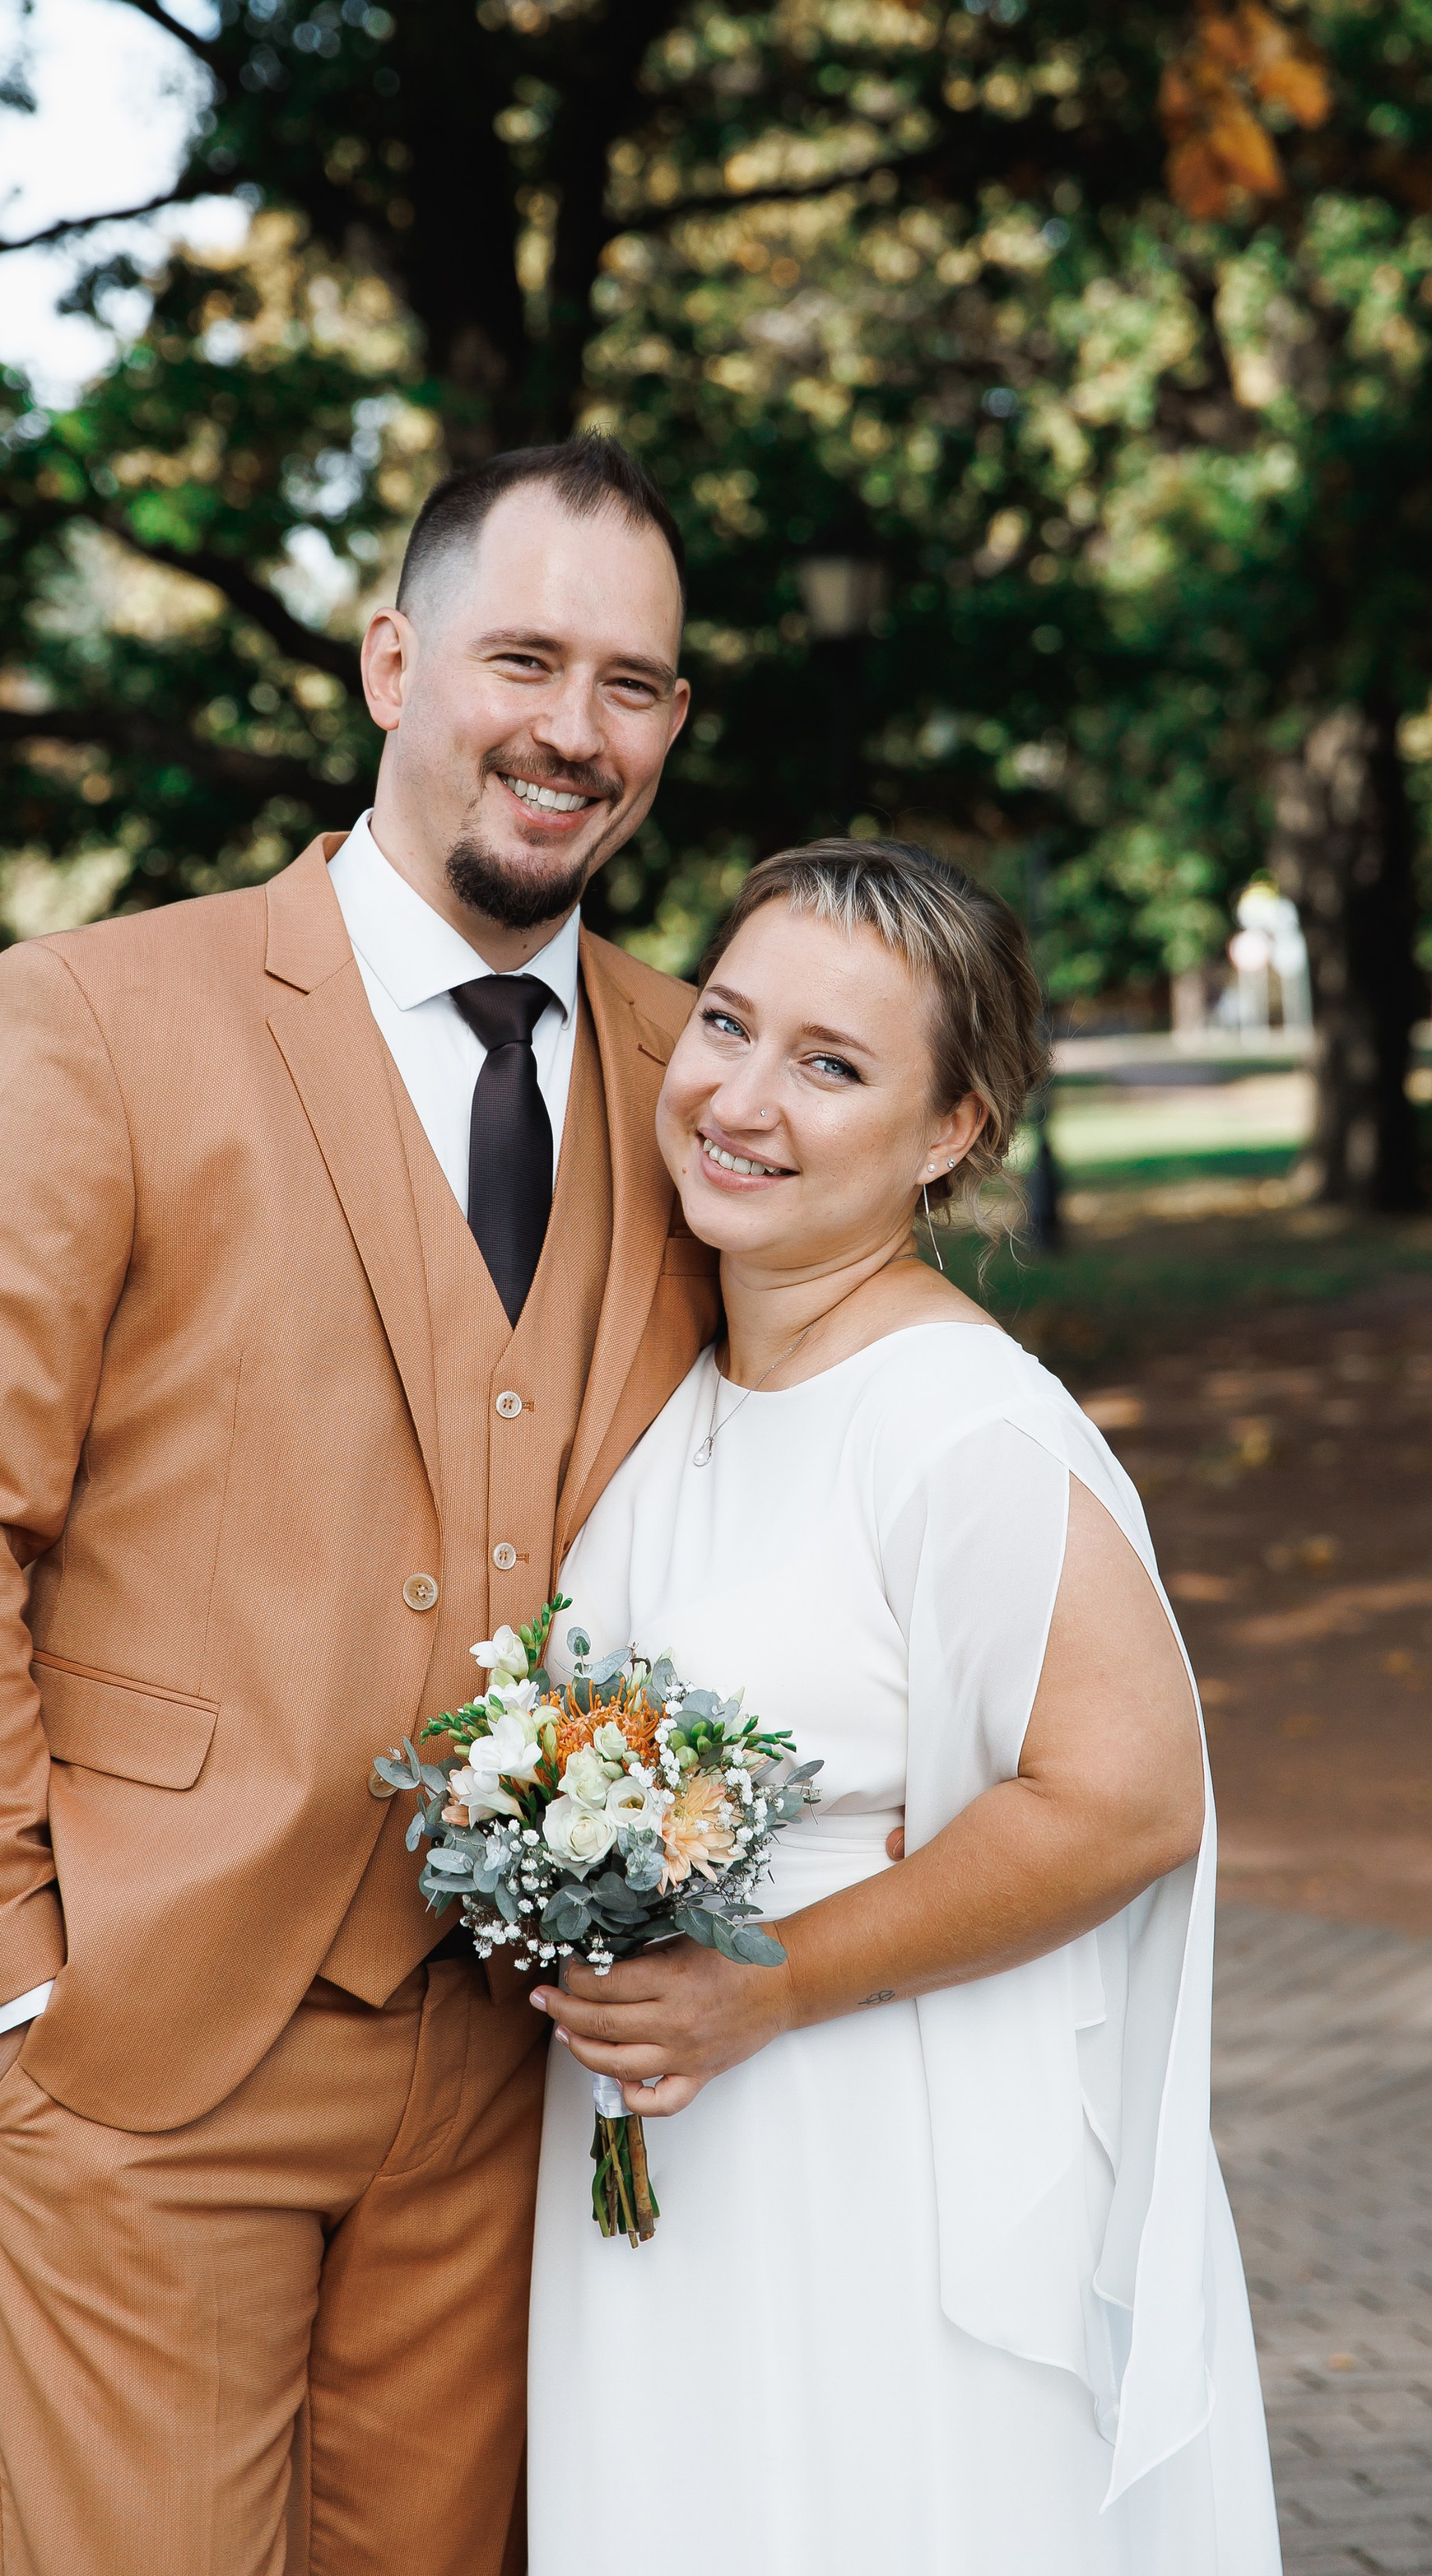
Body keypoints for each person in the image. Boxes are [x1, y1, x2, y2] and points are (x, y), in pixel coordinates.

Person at [0, 434, 718, 2576]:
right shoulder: (106, 1017)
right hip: (154, 2037)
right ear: (392, 660)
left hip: (519, 2076)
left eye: (636, 683)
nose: (573, 730)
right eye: (525, 657)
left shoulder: (700, 1071)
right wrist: (4, 1988)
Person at [528, 840, 1282, 2575]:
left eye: (830, 1064)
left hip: (871, 2176)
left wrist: (760, 1990)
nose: (739, 1095)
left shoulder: (959, 1428)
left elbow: (1122, 1801)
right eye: (726, 1023)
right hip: (669, 2173)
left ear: (950, 1131)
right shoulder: (686, 1401)